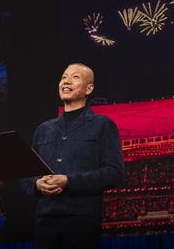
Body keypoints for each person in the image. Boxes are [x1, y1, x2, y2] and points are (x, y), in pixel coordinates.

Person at [21, 63, 125, 249]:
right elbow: (25, 177)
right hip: (45, 219)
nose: (66, 81)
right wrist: (37, 183)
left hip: (82, 219)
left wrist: (69, 181)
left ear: (89, 88)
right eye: (63, 77)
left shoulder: (103, 125)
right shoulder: (43, 130)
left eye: (75, 77)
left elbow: (114, 173)